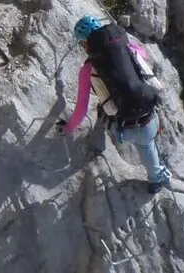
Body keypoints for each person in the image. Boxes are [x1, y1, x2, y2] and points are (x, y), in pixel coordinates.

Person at [56, 14, 171, 192]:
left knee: (102, 108)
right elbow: (144, 54)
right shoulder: (128, 47)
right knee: (147, 148)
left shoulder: (87, 70)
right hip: (149, 119)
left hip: (123, 129)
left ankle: (102, 129)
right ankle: (156, 178)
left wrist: (68, 128)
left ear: (85, 44)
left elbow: (81, 109)